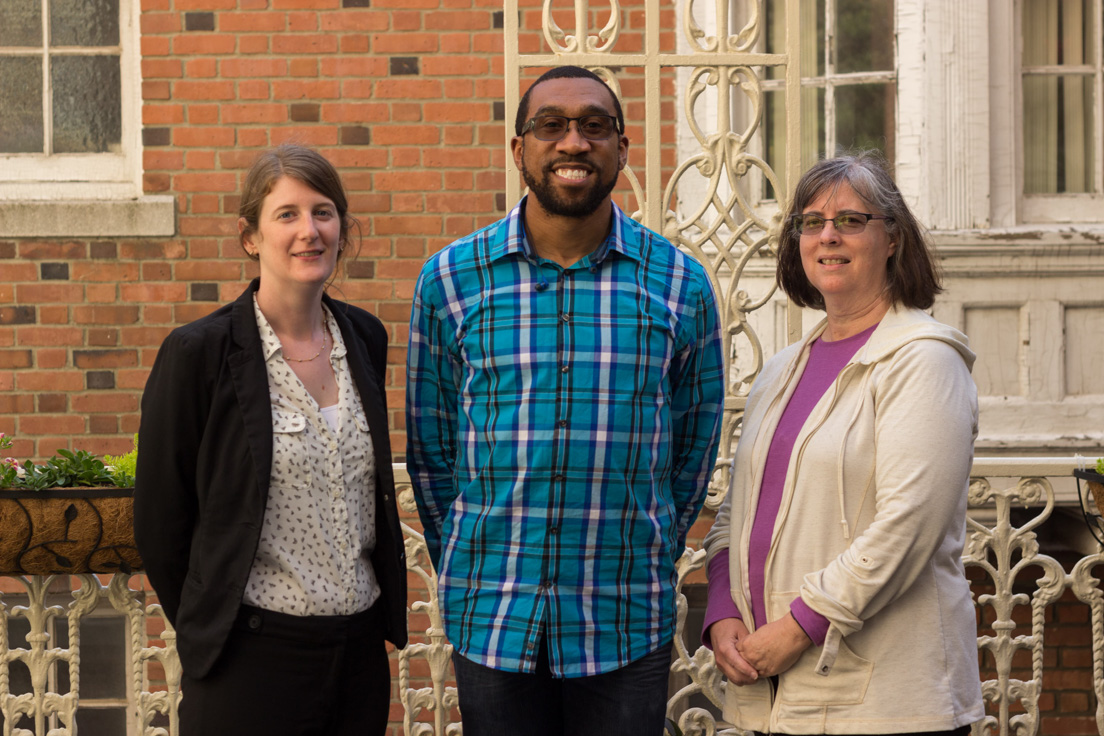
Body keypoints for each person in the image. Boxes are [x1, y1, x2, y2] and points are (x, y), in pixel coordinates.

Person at [405, 65, 725, 735]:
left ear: (622, 148)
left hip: (621, 612)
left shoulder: (678, 284)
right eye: (550, 125)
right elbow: (433, 452)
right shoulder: (451, 280)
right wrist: (472, 558)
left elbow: (694, 450)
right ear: (518, 147)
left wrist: (651, 543)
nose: (573, 142)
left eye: (594, 126)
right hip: (493, 613)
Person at [702, 152, 983, 735]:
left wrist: (800, 625)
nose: (827, 235)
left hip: (888, 702)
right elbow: (738, 509)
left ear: (892, 240)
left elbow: (907, 528)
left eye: (851, 220)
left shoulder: (924, 360)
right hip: (776, 693)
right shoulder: (782, 370)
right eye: (811, 222)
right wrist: (722, 611)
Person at [134, 144, 406, 736]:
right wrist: (213, 628)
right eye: (287, 214)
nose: (309, 231)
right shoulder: (198, 353)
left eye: (324, 212)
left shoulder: (364, 337)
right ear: (250, 236)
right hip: (250, 659)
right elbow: (161, 520)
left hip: (358, 656)